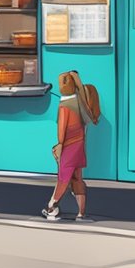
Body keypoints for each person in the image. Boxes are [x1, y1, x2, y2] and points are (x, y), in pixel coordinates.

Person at [43, 71, 93, 222]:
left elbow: (62, 128)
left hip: (68, 145)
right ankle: (81, 213)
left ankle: (52, 207)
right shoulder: (79, 101)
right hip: (79, 143)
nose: (60, 87)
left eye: (62, 83)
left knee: (64, 177)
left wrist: (59, 144)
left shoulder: (64, 105)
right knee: (77, 177)